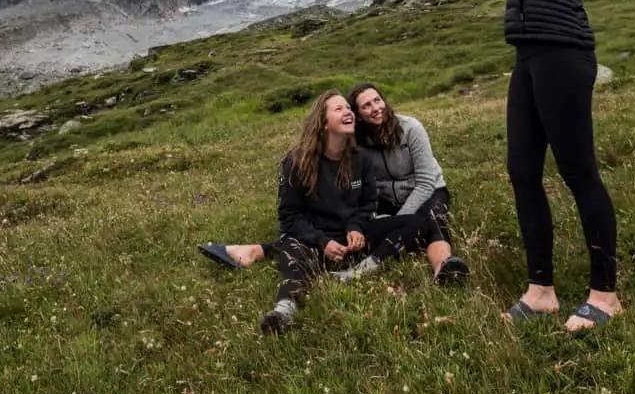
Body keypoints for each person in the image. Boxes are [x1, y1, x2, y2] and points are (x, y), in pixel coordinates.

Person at [486, 0, 622, 332]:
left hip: (563, 52)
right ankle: (541, 291)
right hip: (530, 52)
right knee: (522, 170)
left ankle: (604, 296)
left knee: (578, 171)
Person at [198, 82, 469, 284]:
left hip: (426, 191)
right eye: (365, 105)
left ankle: (444, 267)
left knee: (431, 220)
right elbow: (357, 193)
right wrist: (377, 224)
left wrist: (399, 221)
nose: (375, 108)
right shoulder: (354, 139)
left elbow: (424, 181)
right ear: (358, 114)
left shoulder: (411, 128)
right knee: (349, 229)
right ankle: (261, 250)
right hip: (384, 198)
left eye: (378, 100)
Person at [257, 89, 449, 335]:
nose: (348, 111)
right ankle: (285, 309)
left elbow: (368, 204)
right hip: (316, 237)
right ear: (323, 123)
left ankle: (360, 270)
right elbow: (289, 215)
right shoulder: (297, 161)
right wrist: (322, 241)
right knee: (293, 248)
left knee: (421, 222)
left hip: (352, 236)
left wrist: (356, 227)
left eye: (349, 108)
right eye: (339, 109)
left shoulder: (360, 158)